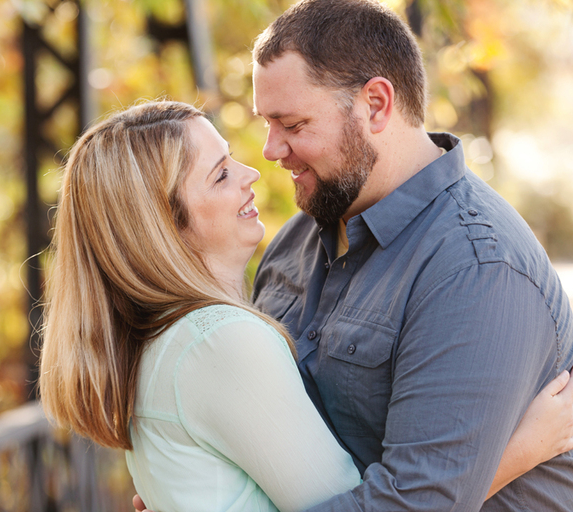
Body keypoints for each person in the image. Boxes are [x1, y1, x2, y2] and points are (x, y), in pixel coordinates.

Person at [37, 101, 573, 512]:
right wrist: (518, 452)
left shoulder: (168, 336)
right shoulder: (218, 340)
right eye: (220, 173)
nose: (252, 171)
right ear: (162, 226)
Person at [245, 0, 573, 509]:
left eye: (292, 124)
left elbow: (415, 502)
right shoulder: (295, 240)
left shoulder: (475, 270)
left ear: (376, 105)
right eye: (267, 122)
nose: (270, 149)